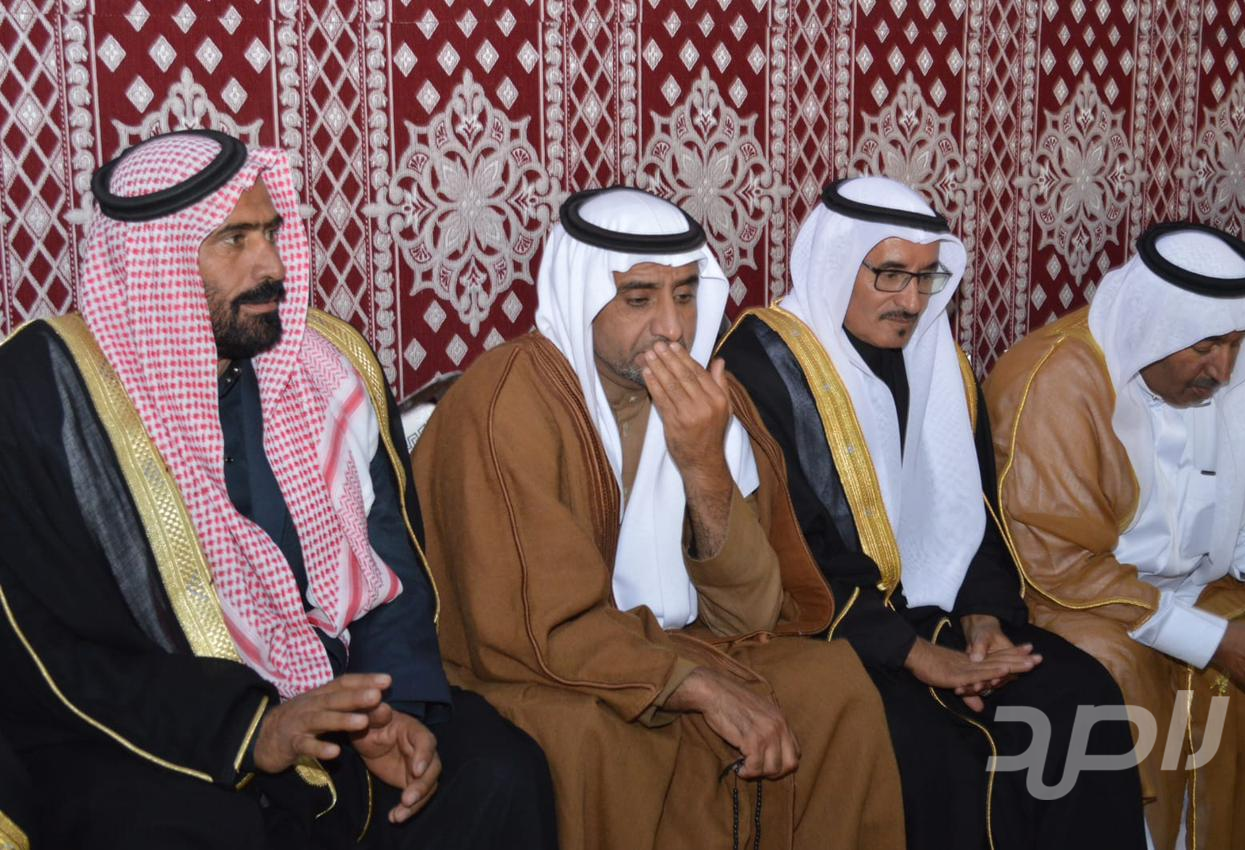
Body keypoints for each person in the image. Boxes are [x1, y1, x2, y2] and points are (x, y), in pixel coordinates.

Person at [0, 129, 556, 849]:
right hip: (159, 735)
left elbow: (392, 562)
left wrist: (390, 703)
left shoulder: (323, 363)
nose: (271, 264)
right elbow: (50, 650)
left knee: (500, 771)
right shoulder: (42, 399)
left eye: (269, 231)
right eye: (233, 240)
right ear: (155, 262)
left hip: (335, 695)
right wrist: (250, 730)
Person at [413, 186, 907, 850]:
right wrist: (691, 686)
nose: (672, 328)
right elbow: (533, 626)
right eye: (639, 299)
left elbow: (751, 614)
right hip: (535, 665)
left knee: (834, 687)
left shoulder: (705, 401)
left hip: (672, 645)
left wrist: (703, 463)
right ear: (583, 296)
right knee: (599, 742)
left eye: (685, 294)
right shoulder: (507, 405)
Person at [718, 176, 1146, 850]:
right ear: (836, 265)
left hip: (940, 614)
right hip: (831, 632)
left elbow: (971, 512)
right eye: (890, 276)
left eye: (926, 278)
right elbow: (791, 552)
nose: (912, 302)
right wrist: (915, 655)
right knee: (939, 755)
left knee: (1078, 697)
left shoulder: (937, 359)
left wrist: (985, 623)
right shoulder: (762, 365)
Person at [985, 221, 1245, 849]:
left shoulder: (1242, 380)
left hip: (1198, 586)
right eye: (1205, 346)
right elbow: (1060, 569)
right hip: (1081, 602)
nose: (1224, 369)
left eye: (1235, 343)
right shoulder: (1054, 382)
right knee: (1113, 668)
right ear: (1156, 327)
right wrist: (1213, 640)